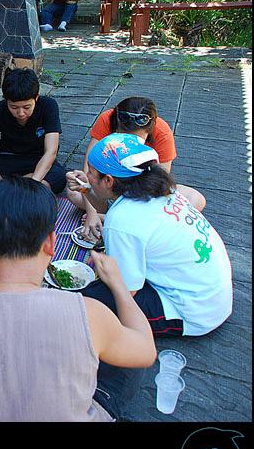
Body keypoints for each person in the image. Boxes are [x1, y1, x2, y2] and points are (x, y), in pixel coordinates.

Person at [0, 176, 156, 422]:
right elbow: (146, 352)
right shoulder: (90, 314)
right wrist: (119, 285)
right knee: (124, 360)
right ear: (50, 243)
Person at [68, 133, 233, 337]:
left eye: (91, 172)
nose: (87, 176)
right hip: (212, 295)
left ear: (109, 180)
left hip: (194, 312)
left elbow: (126, 291)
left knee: (87, 303)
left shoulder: (122, 218)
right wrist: (87, 188)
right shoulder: (161, 190)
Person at [67, 96, 206, 241]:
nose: (128, 144)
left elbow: (158, 185)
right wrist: (91, 211)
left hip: (139, 193)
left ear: (150, 130)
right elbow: (89, 173)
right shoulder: (107, 119)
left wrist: (113, 218)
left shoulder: (163, 133)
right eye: (123, 139)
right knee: (75, 190)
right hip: (109, 189)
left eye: (134, 142)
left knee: (196, 199)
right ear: (116, 126)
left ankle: (113, 216)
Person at [0, 68, 67, 198]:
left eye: (27, 107)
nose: (21, 113)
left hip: (37, 160)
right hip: (7, 159)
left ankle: (8, 192)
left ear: (36, 98)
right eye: (14, 107)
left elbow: (51, 151)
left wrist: (34, 182)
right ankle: (23, 194)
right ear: (6, 100)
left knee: (58, 177)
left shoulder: (48, 106)